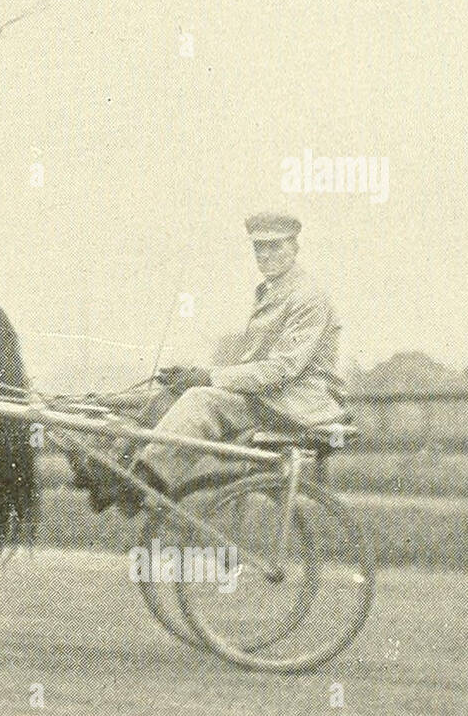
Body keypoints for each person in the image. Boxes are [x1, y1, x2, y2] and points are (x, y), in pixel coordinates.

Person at [67, 210, 347, 514]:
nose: (265, 255)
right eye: (259, 248)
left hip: (300, 404)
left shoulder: (307, 297)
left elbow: (282, 368)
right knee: (170, 394)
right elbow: (254, 364)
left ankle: (140, 483)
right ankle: (117, 471)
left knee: (201, 401)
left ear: (295, 247)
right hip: (273, 398)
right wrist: (197, 374)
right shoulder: (273, 291)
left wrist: (208, 379)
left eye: (274, 246)